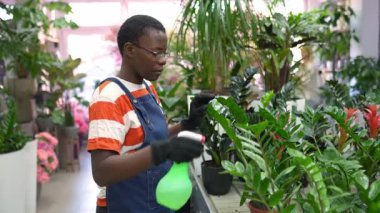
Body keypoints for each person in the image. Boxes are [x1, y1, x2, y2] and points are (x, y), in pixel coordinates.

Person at [87, 15, 214, 213]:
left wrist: (186, 124)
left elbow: (151, 138)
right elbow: (102, 171)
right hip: (125, 205)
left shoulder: (147, 88)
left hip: (155, 202)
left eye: (164, 53)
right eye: (156, 53)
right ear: (130, 50)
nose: (162, 61)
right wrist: (162, 151)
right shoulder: (109, 97)